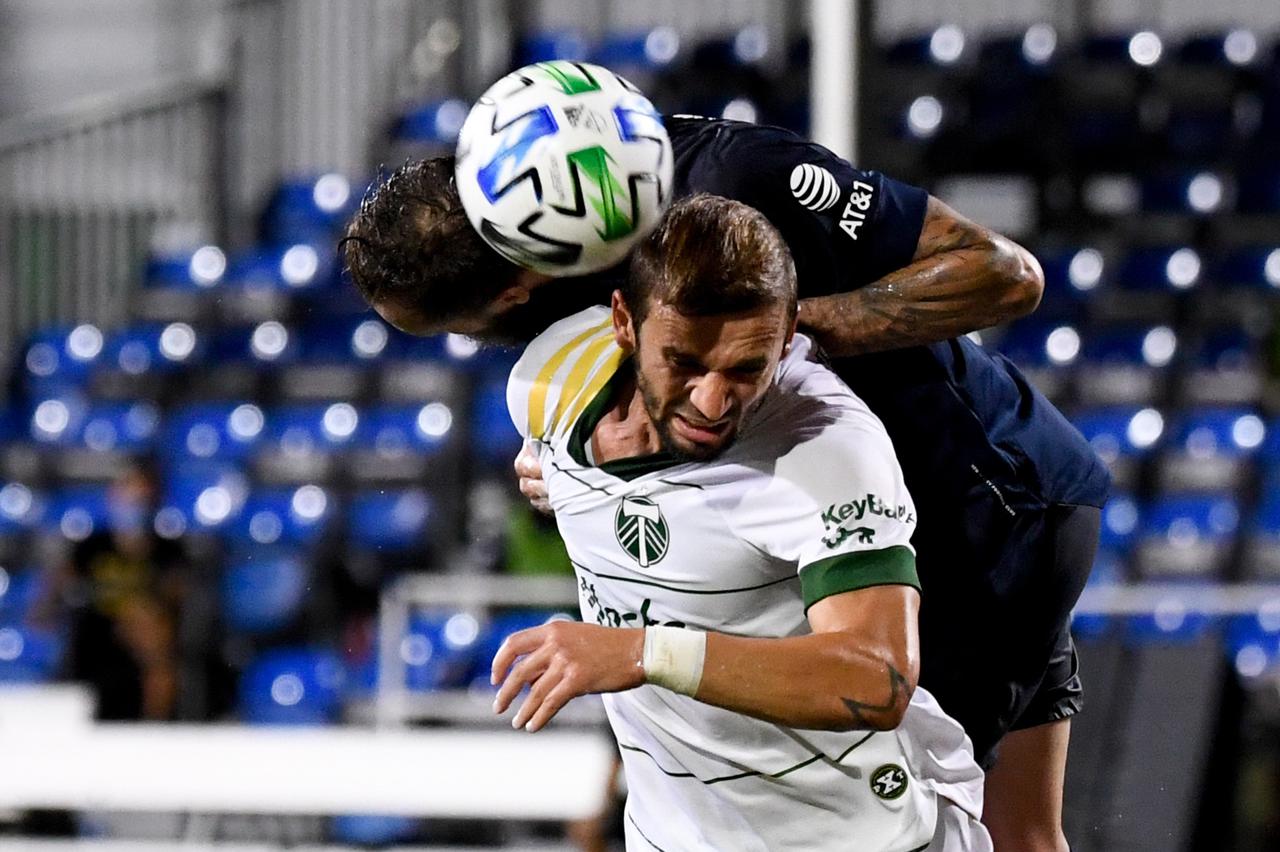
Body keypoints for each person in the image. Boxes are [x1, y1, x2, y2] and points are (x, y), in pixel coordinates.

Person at [342, 116, 1109, 851]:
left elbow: (1005, 274)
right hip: (897, 511)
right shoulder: (565, 274)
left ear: (515, 288)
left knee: (934, 817)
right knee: (1023, 837)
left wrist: (779, 333)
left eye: (459, 328)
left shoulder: (726, 177)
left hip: (981, 506)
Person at [493, 194, 989, 850]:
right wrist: (554, 478)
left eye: (747, 368)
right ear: (623, 323)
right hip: (669, 837)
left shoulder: (826, 449)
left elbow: (879, 678)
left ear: (788, 337)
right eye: (683, 361)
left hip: (859, 834)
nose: (711, 401)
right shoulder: (551, 379)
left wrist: (643, 652)